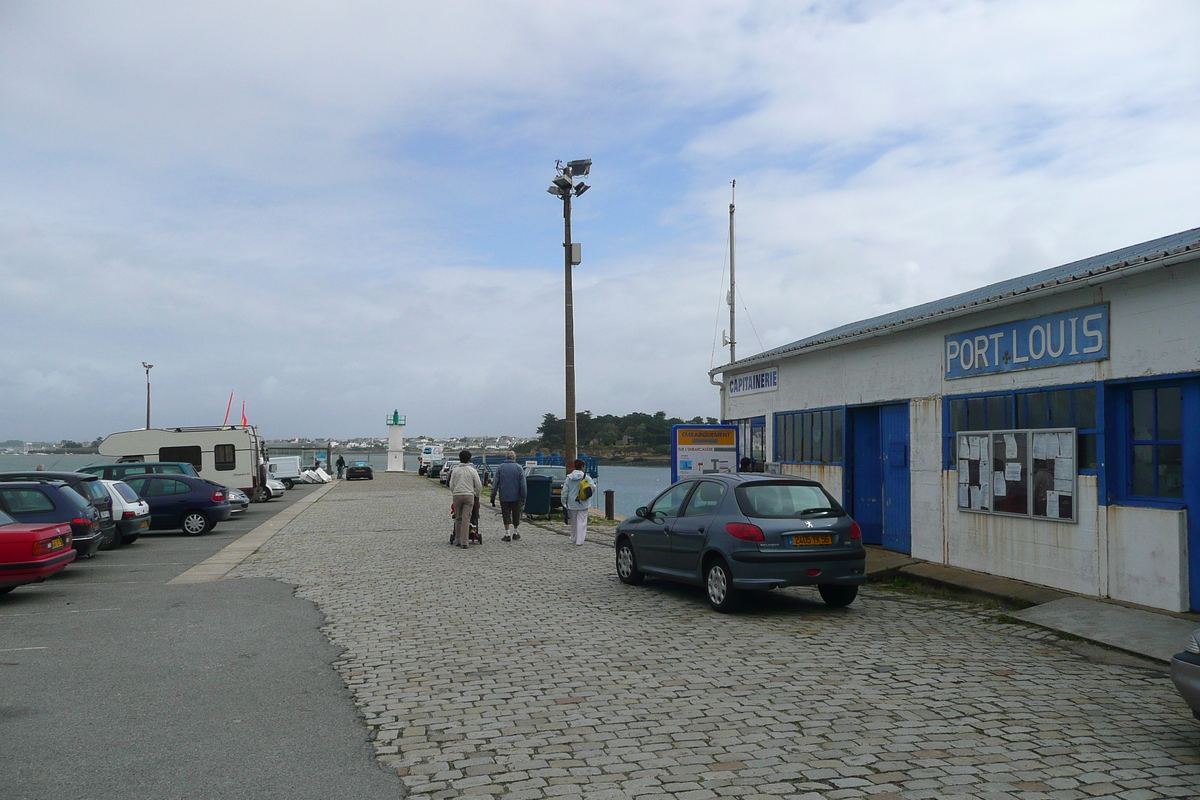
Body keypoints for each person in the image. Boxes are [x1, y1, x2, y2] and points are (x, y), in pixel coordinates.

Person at [448, 449, 482, 549]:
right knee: (466, 518)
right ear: (469, 459)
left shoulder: (455, 470)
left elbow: (451, 484)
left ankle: (457, 539)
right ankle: (465, 541)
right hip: (469, 495)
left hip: (457, 495)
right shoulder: (472, 471)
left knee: (458, 518)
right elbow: (478, 485)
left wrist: (454, 492)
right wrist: (477, 494)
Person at [491, 451, 527, 542]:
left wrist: (493, 496)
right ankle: (515, 532)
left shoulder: (500, 468)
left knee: (506, 514)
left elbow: (495, 483)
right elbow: (523, 484)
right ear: (514, 458)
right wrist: (524, 497)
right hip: (516, 496)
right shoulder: (519, 468)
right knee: (516, 514)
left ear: (506, 458)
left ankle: (507, 533)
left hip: (504, 495)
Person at [562, 459, 596, 546]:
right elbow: (593, 487)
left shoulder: (569, 477)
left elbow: (565, 491)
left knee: (573, 521)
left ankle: (573, 537)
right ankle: (580, 540)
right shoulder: (586, 477)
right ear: (582, 467)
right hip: (583, 502)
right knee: (582, 521)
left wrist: (564, 501)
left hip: (572, 503)